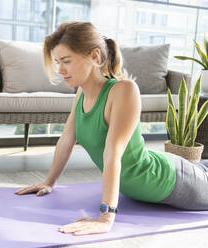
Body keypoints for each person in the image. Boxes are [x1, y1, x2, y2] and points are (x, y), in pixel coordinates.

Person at [15, 21, 208, 236]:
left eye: (66, 61)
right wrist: (49, 182)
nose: (60, 70)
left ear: (95, 56)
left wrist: (106, 218)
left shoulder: (123, 90)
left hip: (176, 181)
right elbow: (66, 140)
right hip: (152, 177)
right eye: (57, 62)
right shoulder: (81, 93)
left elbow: (113, 154)